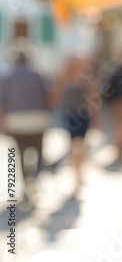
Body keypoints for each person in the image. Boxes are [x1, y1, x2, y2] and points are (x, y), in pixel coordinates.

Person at [0, 51, 52, 208]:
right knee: (39, 152)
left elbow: (2, 102)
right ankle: (35, 180)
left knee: (20, 155)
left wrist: (3, 122)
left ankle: (26, 186)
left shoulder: (7, 76)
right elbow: (48, 96)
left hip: (17, 122)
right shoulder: (37, 74)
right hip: (38, 119)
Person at [52, 54, 100, 189]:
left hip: (83, 116)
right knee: (73, 145)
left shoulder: (88, 79)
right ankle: (75, 173)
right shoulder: (65, 79)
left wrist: (96, 119)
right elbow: (56, 97)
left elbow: (94, 100)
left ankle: (79, 172)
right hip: (70, 116)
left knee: (81, 146)